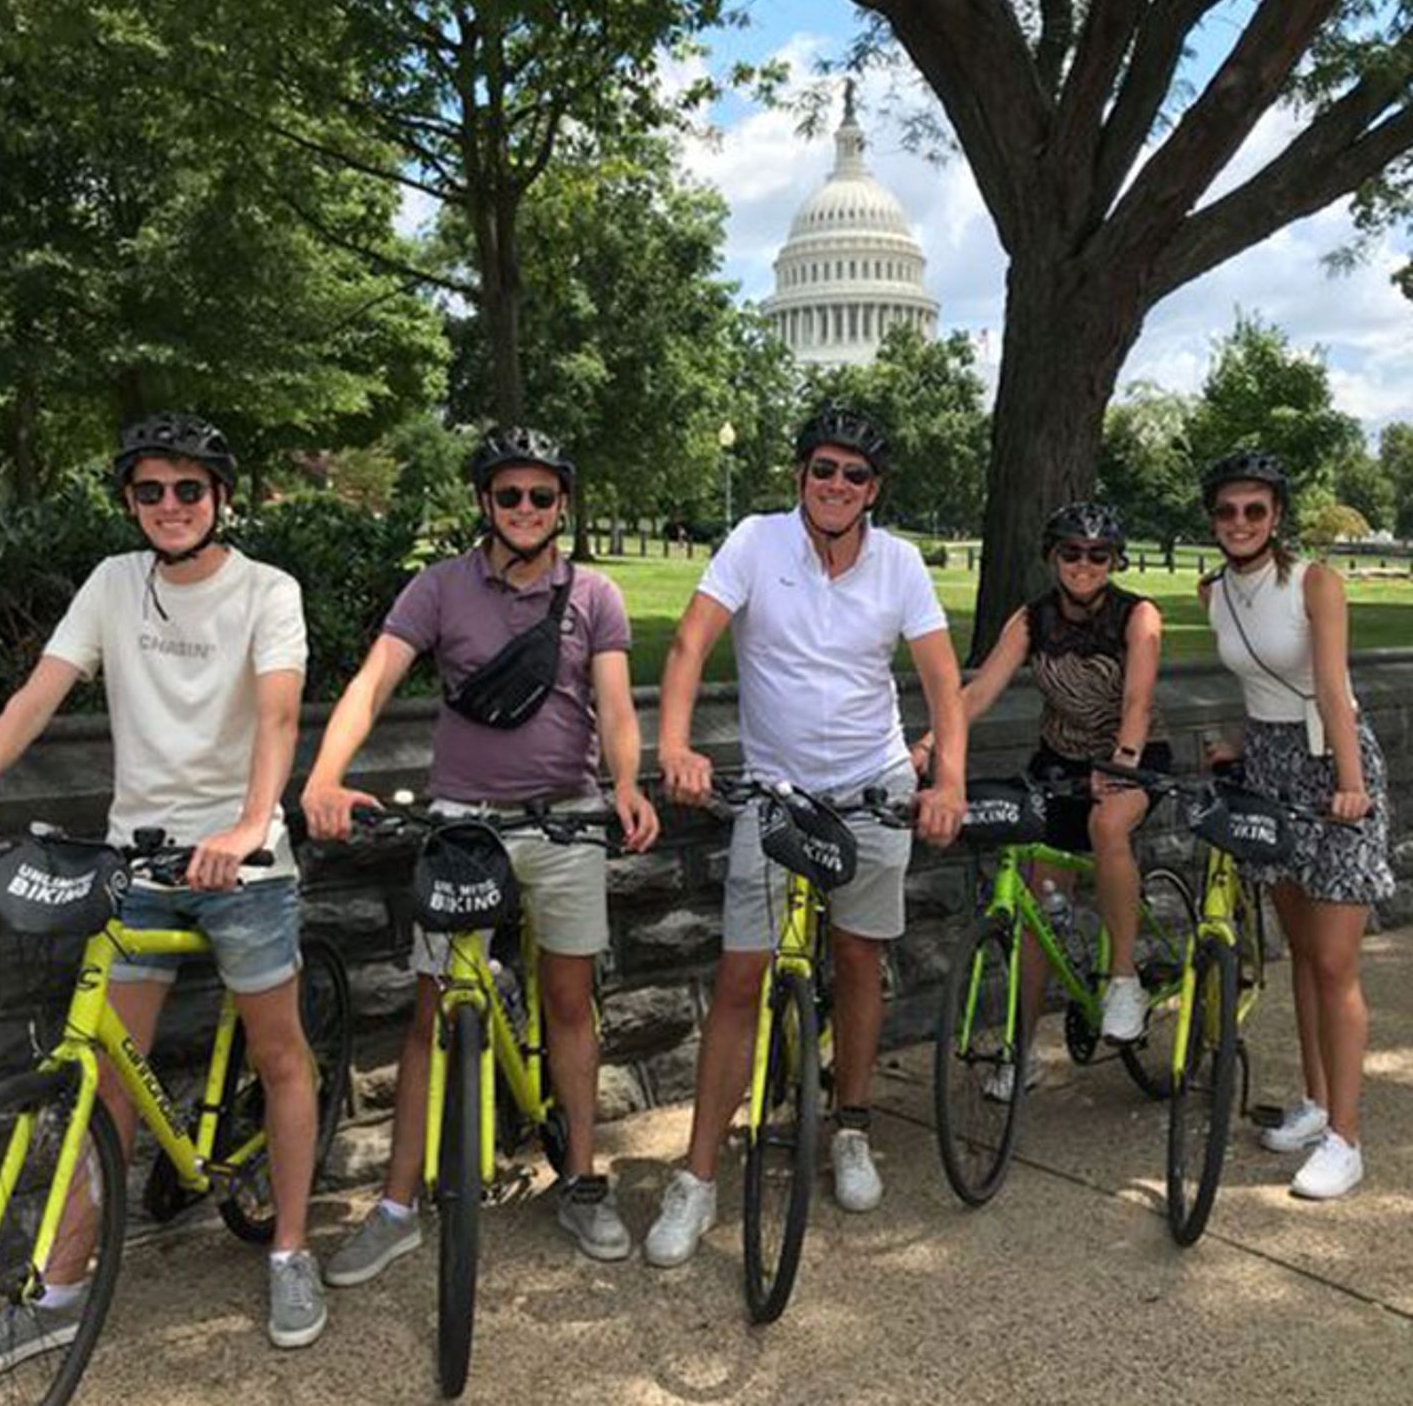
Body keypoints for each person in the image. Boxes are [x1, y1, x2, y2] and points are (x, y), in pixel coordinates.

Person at [0, 413, 319, 1374]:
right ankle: (64, 1284)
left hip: (242, 866)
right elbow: (34, 700)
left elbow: (280, 714)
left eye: (188, 490)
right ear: (130, 501)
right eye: (150, 491)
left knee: (280, 1054)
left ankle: (292, 1247)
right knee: (106, 1081)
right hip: (137, 863)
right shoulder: (113, 585)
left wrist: (251, 824)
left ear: (221, 498)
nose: (170, 507)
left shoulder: (267, 590)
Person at [303, 426, 658, 1275]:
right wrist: (323, 775)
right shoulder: (437, 589)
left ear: (562, 504)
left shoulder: (595, 596)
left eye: (542, 496)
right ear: (484, 503)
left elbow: (615, 707)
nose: (527, 510)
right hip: (464, 823)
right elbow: (372, 683)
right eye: (510, 495)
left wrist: (628, 785)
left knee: (570, 1005)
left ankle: (580, 1180)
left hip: (566, 818)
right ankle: (395, 1206)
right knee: (429, 1015)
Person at [645, 406, 966, 1267]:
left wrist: (949, 782)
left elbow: (942, 681)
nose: (837, 486)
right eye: (824, 469)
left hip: (873, 782)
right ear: (800, 475)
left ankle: (852, 1126)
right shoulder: (755, 541)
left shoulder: (898, 563)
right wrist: (673, 746)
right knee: (743, 977)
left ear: (875, 490)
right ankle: (698, 1176)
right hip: (776, 792)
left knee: (861, 959)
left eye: (855, 475)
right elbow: (688, 644)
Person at [1199, 448, 1392, 1200]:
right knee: (1302, 954)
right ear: (1212, 519)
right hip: (1271, 765)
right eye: (1226, 510)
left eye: (1255, 509)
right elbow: (1261, 689)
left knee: (1338, 962)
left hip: (1331, 762)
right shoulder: (1214, 591)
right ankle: (1315, 1104)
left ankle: (1347, 1139)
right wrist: (1240, 750)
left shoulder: (1315, 581)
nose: (1240, 522)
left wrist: (1350, 787)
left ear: (1277, 515)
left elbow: (1331, 692)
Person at [957, 503, 1171, 1091]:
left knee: (1107, 828)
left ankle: (1123, 980)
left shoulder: (1138, 615)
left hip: (1132, 755)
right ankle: (1018, 1054)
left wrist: (1123, 764)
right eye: (1071, 552)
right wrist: (930, 745)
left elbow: (1137, 700)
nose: (1084, 564)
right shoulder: (1033, 619)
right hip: (1059, 762)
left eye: (1098, 554)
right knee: (1035, 916)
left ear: (1114, 561)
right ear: (1053, 557)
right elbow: (980, 692)